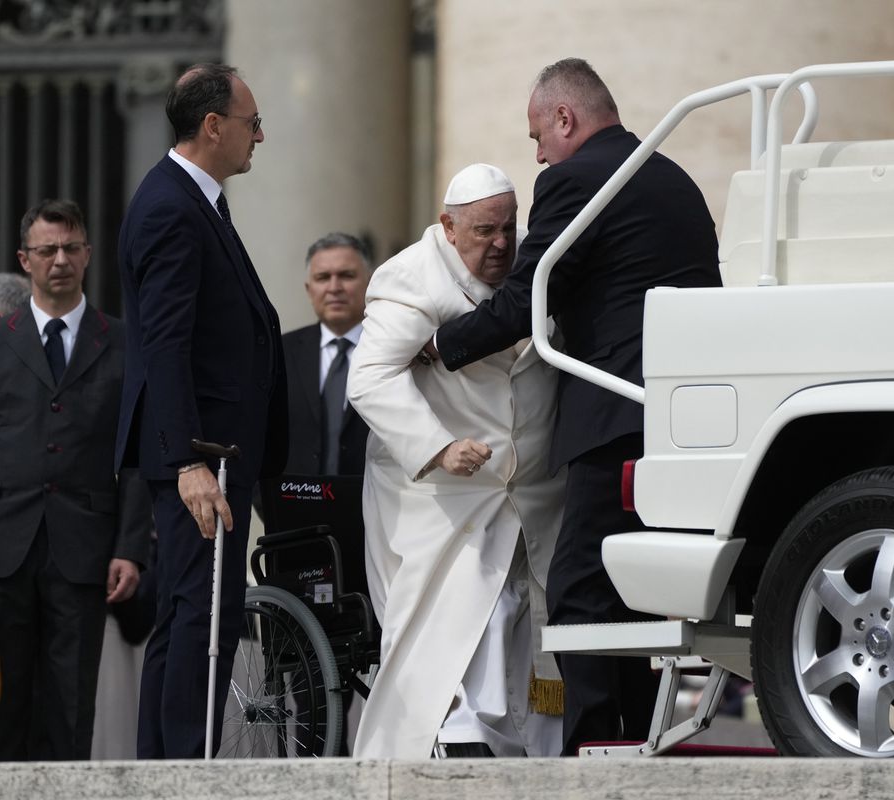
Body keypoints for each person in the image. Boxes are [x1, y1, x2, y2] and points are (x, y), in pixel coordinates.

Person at [430, 59, 722, 755]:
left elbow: (527, 299)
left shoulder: (574, 180)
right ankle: (652, 743)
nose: (536, 154)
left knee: (580, 589)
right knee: (642, 594)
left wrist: (440, 346)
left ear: (566, 118)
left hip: (613, 418)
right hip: (681, 418)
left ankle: (590, 752)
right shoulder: (672, 177)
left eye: (537, 135)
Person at [348, 163, 565, 758]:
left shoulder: (531, 264)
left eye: (507, 227)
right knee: (468, 625)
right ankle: (462, 742)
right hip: (445, 500)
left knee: (525, 624)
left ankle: (524, 754)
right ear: (448, 226)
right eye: (483, 231)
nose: (499, 243)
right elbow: (368, 380)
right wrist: (439, 447)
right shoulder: (411, 277)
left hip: (529, 494)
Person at [115, 62, 287, 759]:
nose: (260, 136)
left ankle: (166, 765)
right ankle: (184, 769)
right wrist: (187, 460)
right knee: (203, 615)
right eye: (252, 123)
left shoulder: (194, 201)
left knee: (193, 613)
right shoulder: (169, 207)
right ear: (213, 126)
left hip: (215, 450)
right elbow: (164, 342)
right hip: (201, 456)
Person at [0, 199, 148, 760]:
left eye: (71, 248)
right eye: (47, 250)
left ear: (89, 254)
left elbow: (138, 455)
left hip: (85, 545)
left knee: (70, 702)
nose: (60, 260)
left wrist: (130, 548)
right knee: (5, 701)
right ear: (25, 259)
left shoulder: (124, 342)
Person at [281, 232, 373, 476]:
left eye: (346, 275)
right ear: (309, 289)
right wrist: (270, 503)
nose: (334, 287)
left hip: (376, 508)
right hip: (295, 508)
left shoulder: (397, 350)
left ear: (370, 282)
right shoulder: (280, 353)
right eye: (323, 277)